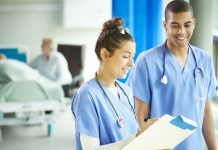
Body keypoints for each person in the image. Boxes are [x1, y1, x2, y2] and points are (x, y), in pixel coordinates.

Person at [127, 0, 217, 150]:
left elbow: (206, 111)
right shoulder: (147, 61)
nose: (181, 31)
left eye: (187, 25)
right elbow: (140, 114)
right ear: (165, 25)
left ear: (194, 24)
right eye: (175, 25)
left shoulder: (204, 60)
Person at [72, 18, 149, 150]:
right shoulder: (88, 95)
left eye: (133, 56)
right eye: (126, 56)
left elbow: (134, 141)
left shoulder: (126, 92)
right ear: (105, 54)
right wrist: (136, 138)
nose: (132, 63)